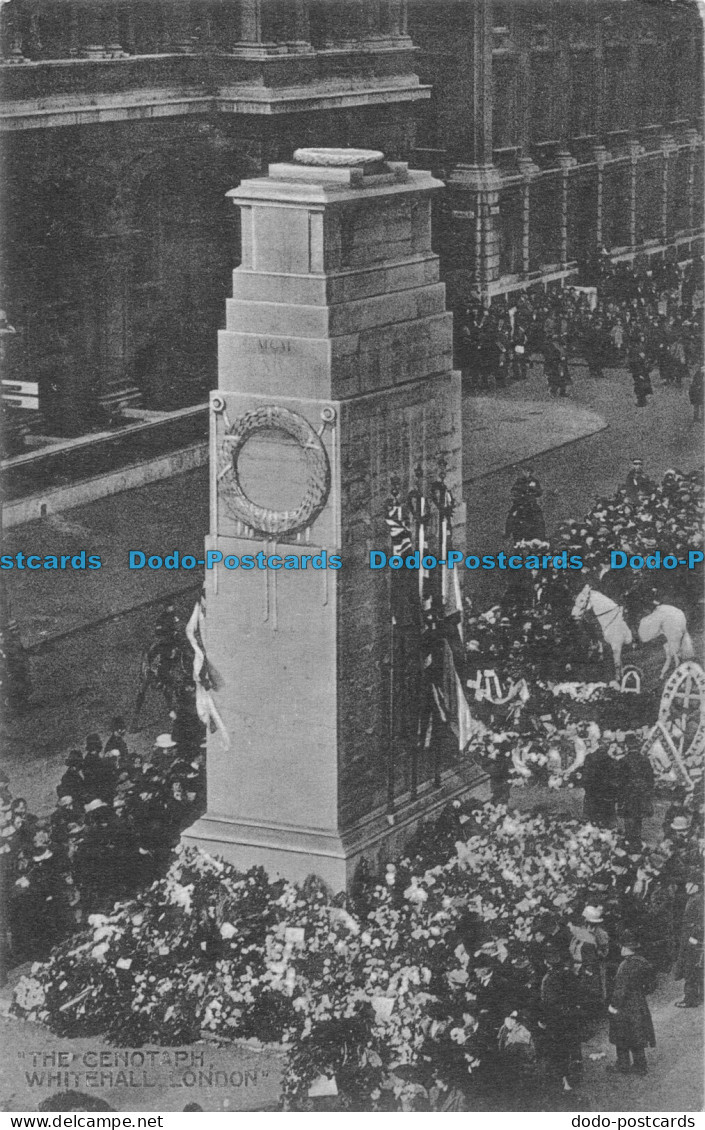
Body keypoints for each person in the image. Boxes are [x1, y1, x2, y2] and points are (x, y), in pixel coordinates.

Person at [608, 930, 657, 1076]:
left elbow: (620, 990)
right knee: (637, 1034)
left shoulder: (624, 966)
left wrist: (613, 1006)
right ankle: (640, 1066)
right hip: (639, 1003)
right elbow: (652, 984)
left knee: (621, 1035)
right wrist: (641, 992)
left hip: (624, 1006)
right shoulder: (643, 962)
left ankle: (623, 1065)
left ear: (626, 948)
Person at [538, 945, 585, 1093]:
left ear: (547, 962)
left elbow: (548, 1003)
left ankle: (565, 1081)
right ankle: (576, 1071)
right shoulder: (569, 974)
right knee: (573, 1045)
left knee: (559, 1050)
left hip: (556, 1020)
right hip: (571, 1016)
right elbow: (578, 994)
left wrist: (543, 1020)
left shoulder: (548, 979)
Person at [616, 733, 655, 846]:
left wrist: (620, 794)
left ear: (627, 746)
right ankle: (636, 838)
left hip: (628, 792)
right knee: (638, 816)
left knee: (629, 815)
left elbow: (620, 779)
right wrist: (648, 791)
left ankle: (629, 838)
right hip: (642, 792)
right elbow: (650, 778)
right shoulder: (645, 760)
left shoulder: (623, 760)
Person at [673, 872, 704, 1008]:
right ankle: (696, 996)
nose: (686, 886)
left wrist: (694, 938)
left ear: (696, 885)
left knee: (690, 967)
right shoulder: (695, 898)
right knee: (692, 967)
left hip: (692, 938)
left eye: (689, 883)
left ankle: (690, 999)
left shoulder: (698, 900)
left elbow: (702, 922)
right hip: (689, 936)